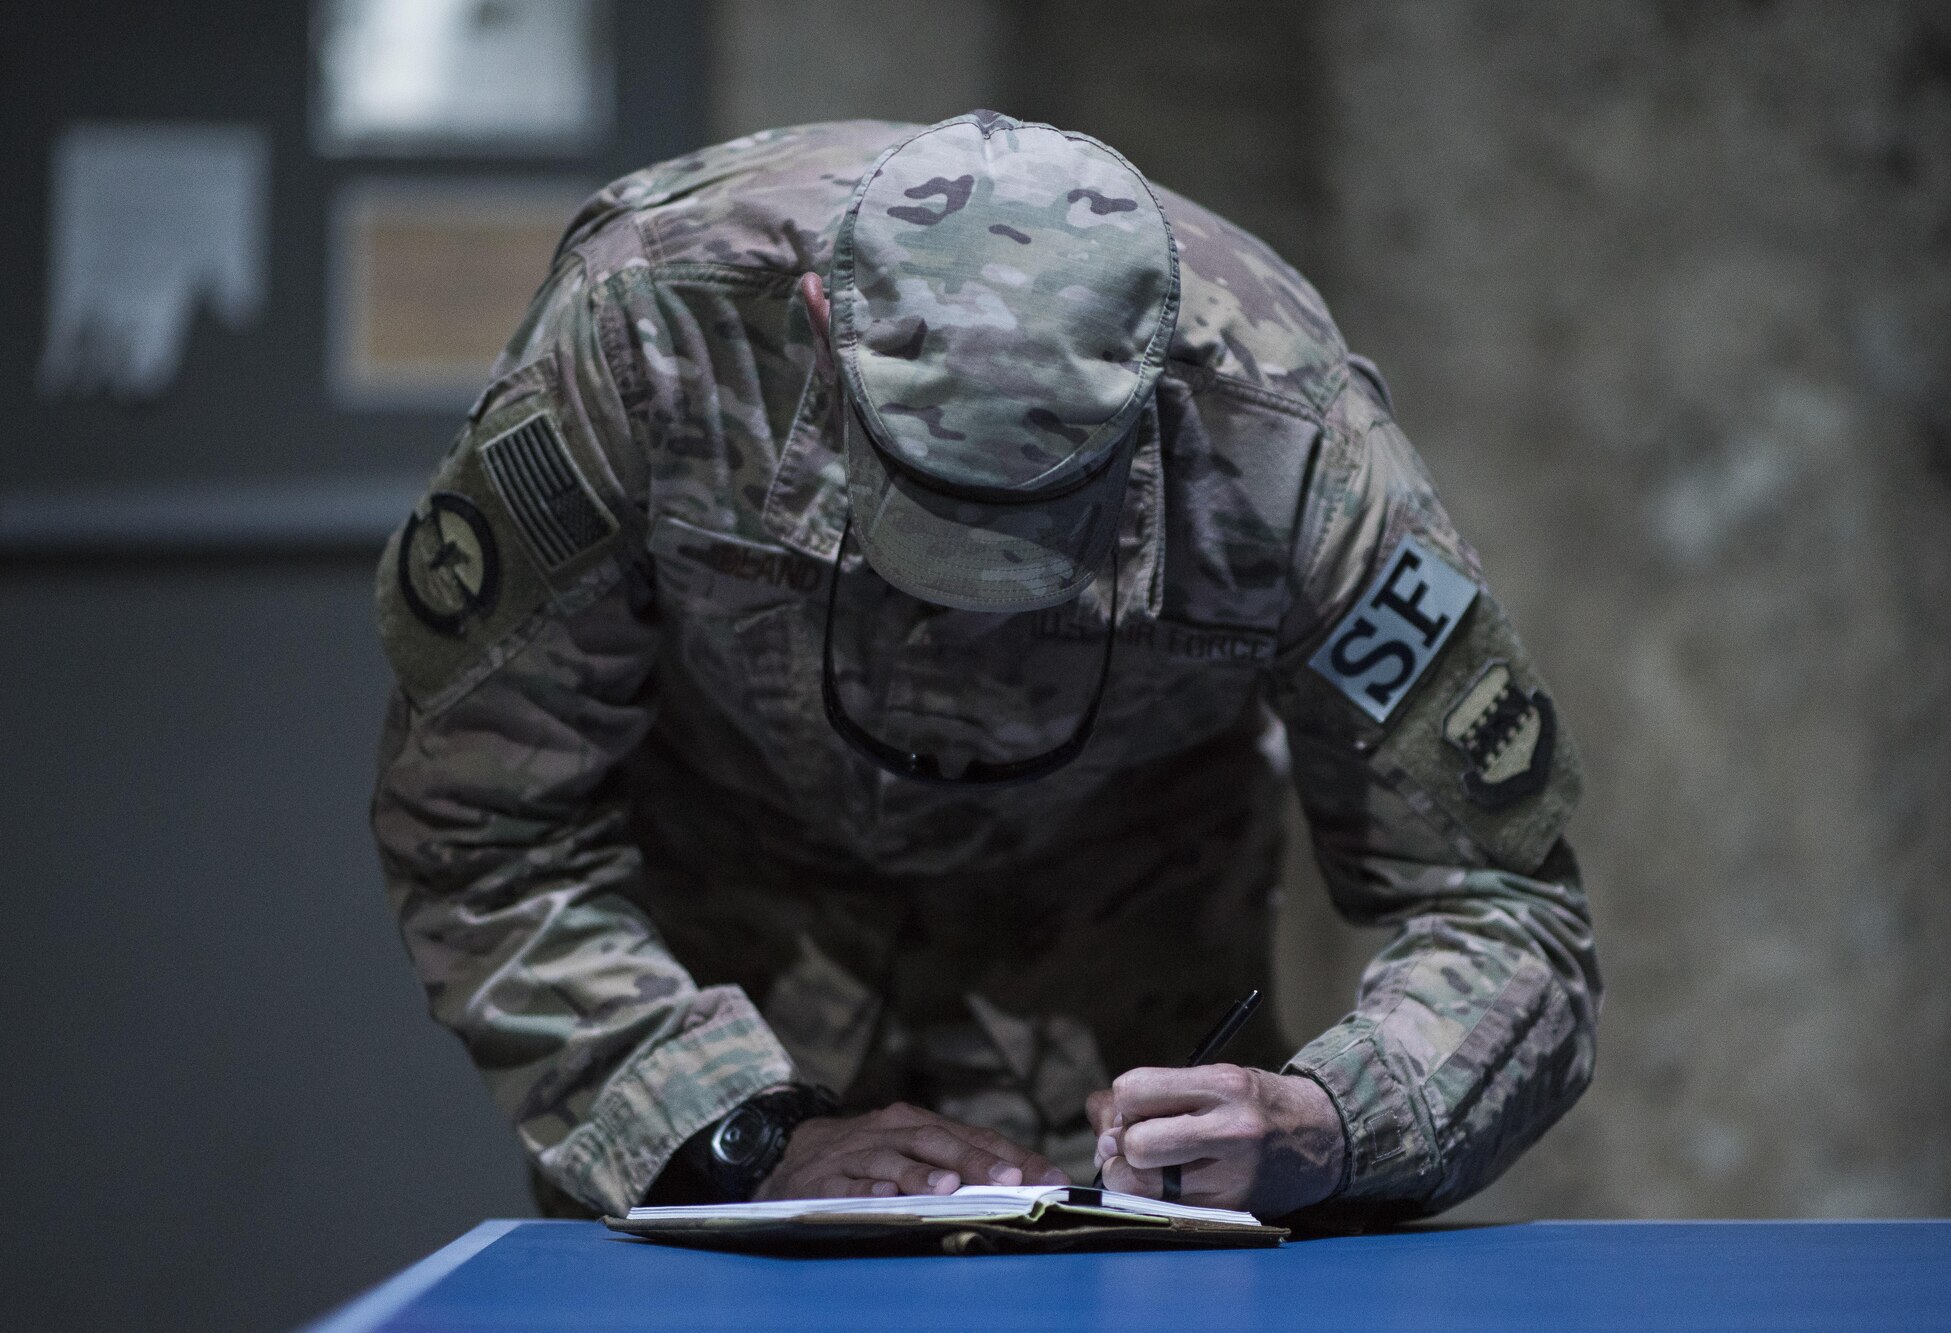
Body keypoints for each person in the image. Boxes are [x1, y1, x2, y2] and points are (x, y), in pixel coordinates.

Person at [371, 111, 1600, 1224]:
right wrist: (736, 1131)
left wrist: (1334, 1121)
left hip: (1127, 1075)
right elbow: (482, 830)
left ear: (1156, 387)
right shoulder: (645, 337)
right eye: (928, 511)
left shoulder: (1287, 437)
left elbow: (1506, 909)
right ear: (818, 326)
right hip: (710, 1028)